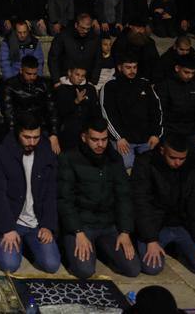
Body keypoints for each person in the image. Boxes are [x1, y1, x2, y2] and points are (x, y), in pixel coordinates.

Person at [57, 117, 140, 278]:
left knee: (132, 268)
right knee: (85, 270)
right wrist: (78, 232)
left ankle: (101, 249)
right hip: (82, 225)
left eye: (104, 140)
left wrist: (125, 231)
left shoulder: (114, 158)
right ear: (84, 137)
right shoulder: (69, 158)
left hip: (108, 224)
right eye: (95, 140)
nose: (100, 144)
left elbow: (124, 196)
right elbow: (65, 199)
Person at [130, 134, 195, 277]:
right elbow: (141, 203)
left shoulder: (192, 166)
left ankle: (177, 249)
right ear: (162, 150)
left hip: (182, 225)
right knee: (152, 267)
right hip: (155, 226)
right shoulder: (145, 163)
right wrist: (151, 239)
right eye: (173, 158)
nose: (177, 162)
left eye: (181, 158)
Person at [0, 113, 61, 273]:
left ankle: (28, 245)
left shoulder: (46, 154)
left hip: (37, 222)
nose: (32, 142)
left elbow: (50, 192)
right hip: (12, 221)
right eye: (27, 137)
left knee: (52, 265)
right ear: (18, 133)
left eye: (36, 137)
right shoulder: (1, 154)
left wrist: (48, 225)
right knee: (10, 265)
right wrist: (7, 228)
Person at [100, 56, 162, 169]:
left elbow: (157, 110)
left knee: (154, 164)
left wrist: (156, 134)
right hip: (124, 139)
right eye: (128, 67)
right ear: (120, 68)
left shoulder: (145, 84)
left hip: (146, 138)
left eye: (134, 67)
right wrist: (119, 137)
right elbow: (107, 115)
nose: (132, 70)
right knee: (126, 164)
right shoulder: (110, 86)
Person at [1, 56, 59, 152]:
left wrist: (54, 134)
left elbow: (52, 110)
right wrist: (14, 133)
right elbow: (8, 112)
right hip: (19, 127)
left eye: (34, 74)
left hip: (40, 126)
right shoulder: (10, 85)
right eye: (28, 74)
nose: (32, 77)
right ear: (21, 70)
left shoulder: (44, 84)